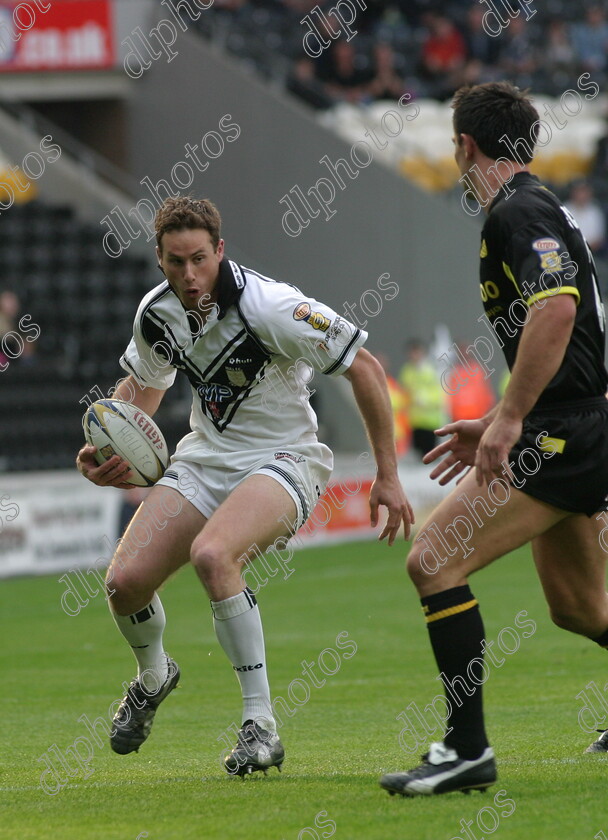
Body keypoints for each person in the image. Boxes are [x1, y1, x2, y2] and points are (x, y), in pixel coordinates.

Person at [76, 197, 413, 777]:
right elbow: (143, 394)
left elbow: (365, 367)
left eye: (200, 259)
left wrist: (386, 473)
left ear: (220, 251)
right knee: (123, 585)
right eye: (177, 262)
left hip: (287, 458)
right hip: (205, 460)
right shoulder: (156, 314)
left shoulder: (271, 306)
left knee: (214, 555)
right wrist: (106, 448)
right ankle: (154, 676)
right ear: (159, 258)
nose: (190, 274)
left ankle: (261, 727)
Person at [380, 82, 608, 798]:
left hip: (561, 433)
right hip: (572, 422)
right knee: (579, 607)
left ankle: (467, 749)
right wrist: (507, 412)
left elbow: (556, 314)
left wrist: (509, 420)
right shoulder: (536, 206)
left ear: (464, 147)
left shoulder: (518, 210)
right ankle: (466, 747)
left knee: (433, 559)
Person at [398, 339, 447, 458]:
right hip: (414, 421)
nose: (414, 355)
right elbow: (403, 391)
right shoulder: (407, 371)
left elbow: (440, 392)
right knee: (418, 454)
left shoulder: (430, 370)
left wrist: (425, 400)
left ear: (422, 352)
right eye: (412, 352)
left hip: (430, 421)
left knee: (430, 454)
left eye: (416, 352)